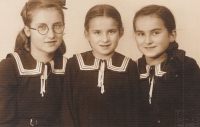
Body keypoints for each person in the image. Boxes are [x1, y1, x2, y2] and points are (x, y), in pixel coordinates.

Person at [62, 4, 140, 127]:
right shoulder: (74, 64)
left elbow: (134, 113)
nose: (105, 39)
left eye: (111, 31)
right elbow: (67, 109)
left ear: (121, 32)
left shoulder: (129, 67)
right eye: (97, 32)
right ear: (87, 34)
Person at [0, 0, 68, 126]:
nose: (51, 34)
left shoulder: (69, 68)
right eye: (42, 27)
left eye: (57, 25)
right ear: (27, 31)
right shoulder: (9, 67)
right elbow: (4, 122)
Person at [133, 4, 200, 127]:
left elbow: (193, 115)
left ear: (172, 35)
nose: (147, 41)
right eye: (141, 34)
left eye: (155, 33)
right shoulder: (133, 69)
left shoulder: (186, 67)